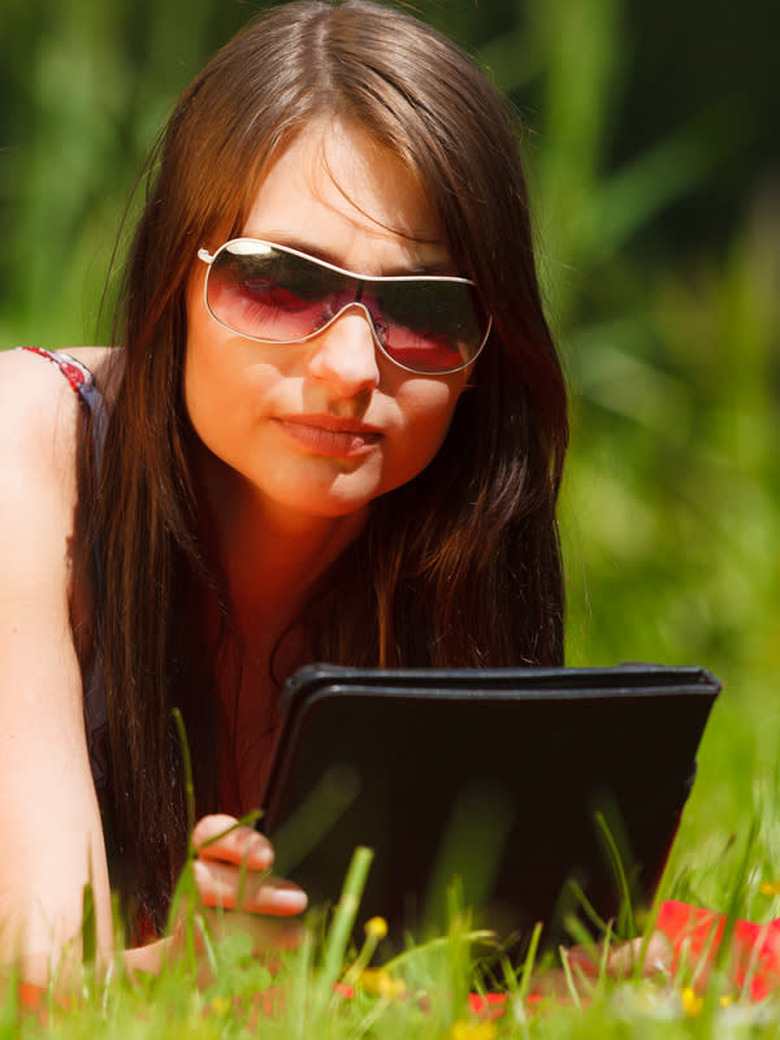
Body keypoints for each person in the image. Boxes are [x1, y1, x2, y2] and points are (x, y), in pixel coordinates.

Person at [0, 0, 567, 984]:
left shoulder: (451, 538)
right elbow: (40, 973)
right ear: (176, 275)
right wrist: (198, 963)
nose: (352, 365)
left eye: (426, 307)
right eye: (281, 284)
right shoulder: (29, 453)